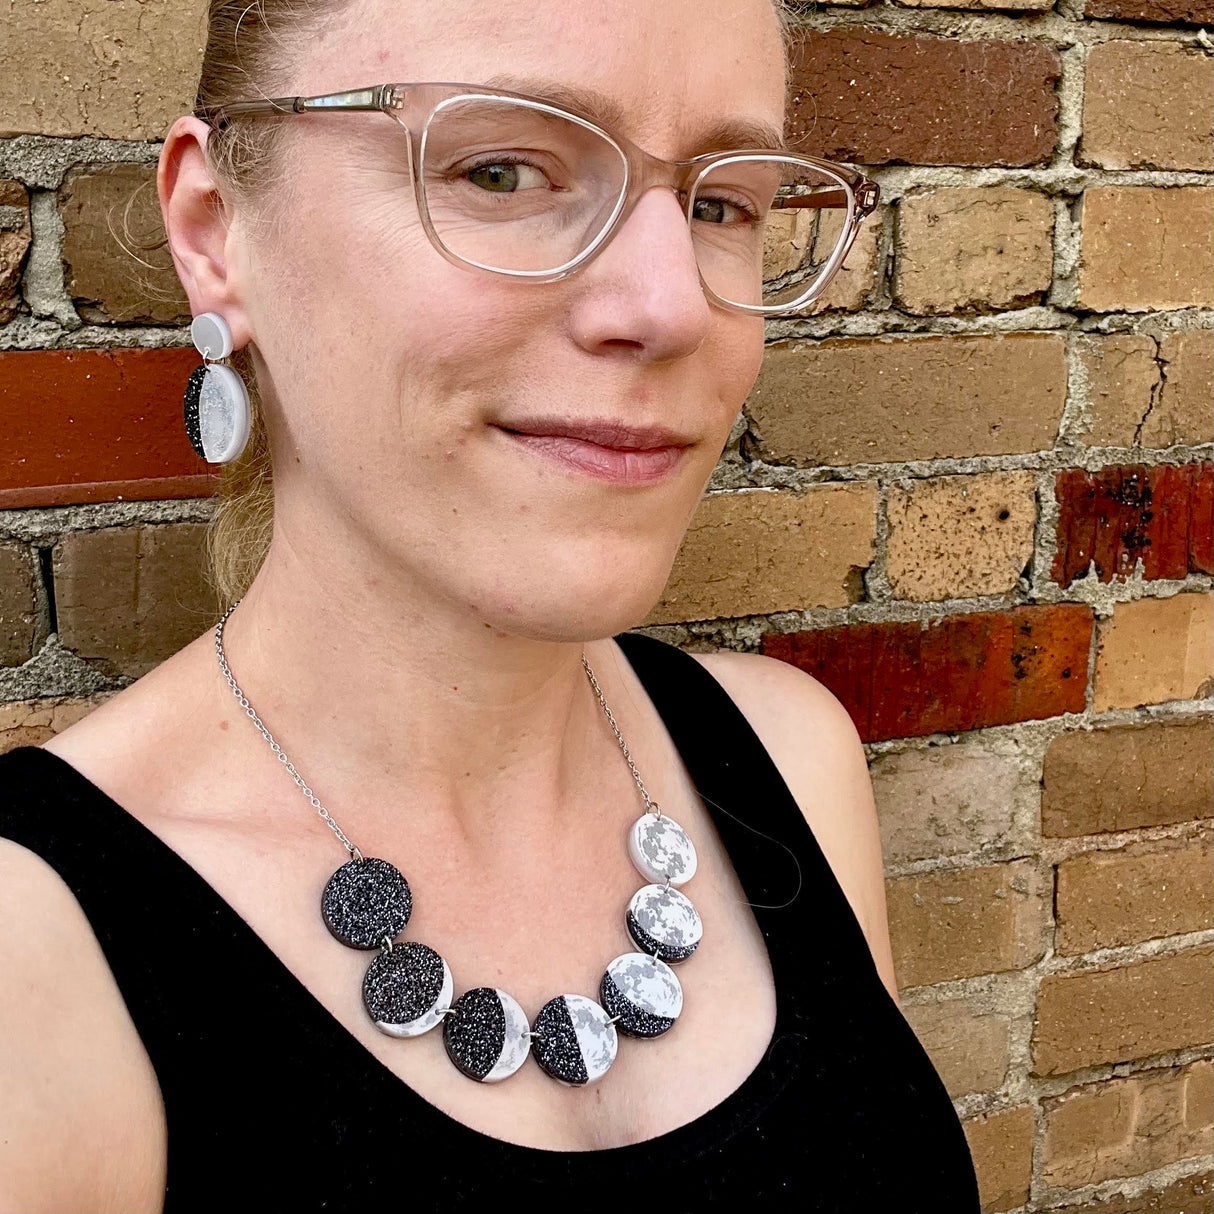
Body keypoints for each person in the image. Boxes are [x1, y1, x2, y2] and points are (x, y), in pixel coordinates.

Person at [0, 0, 981, 1209]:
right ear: (215, 231)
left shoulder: (788, 759)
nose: (673, 307)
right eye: (503, 168)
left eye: (719, 203)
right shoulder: (30, 969)